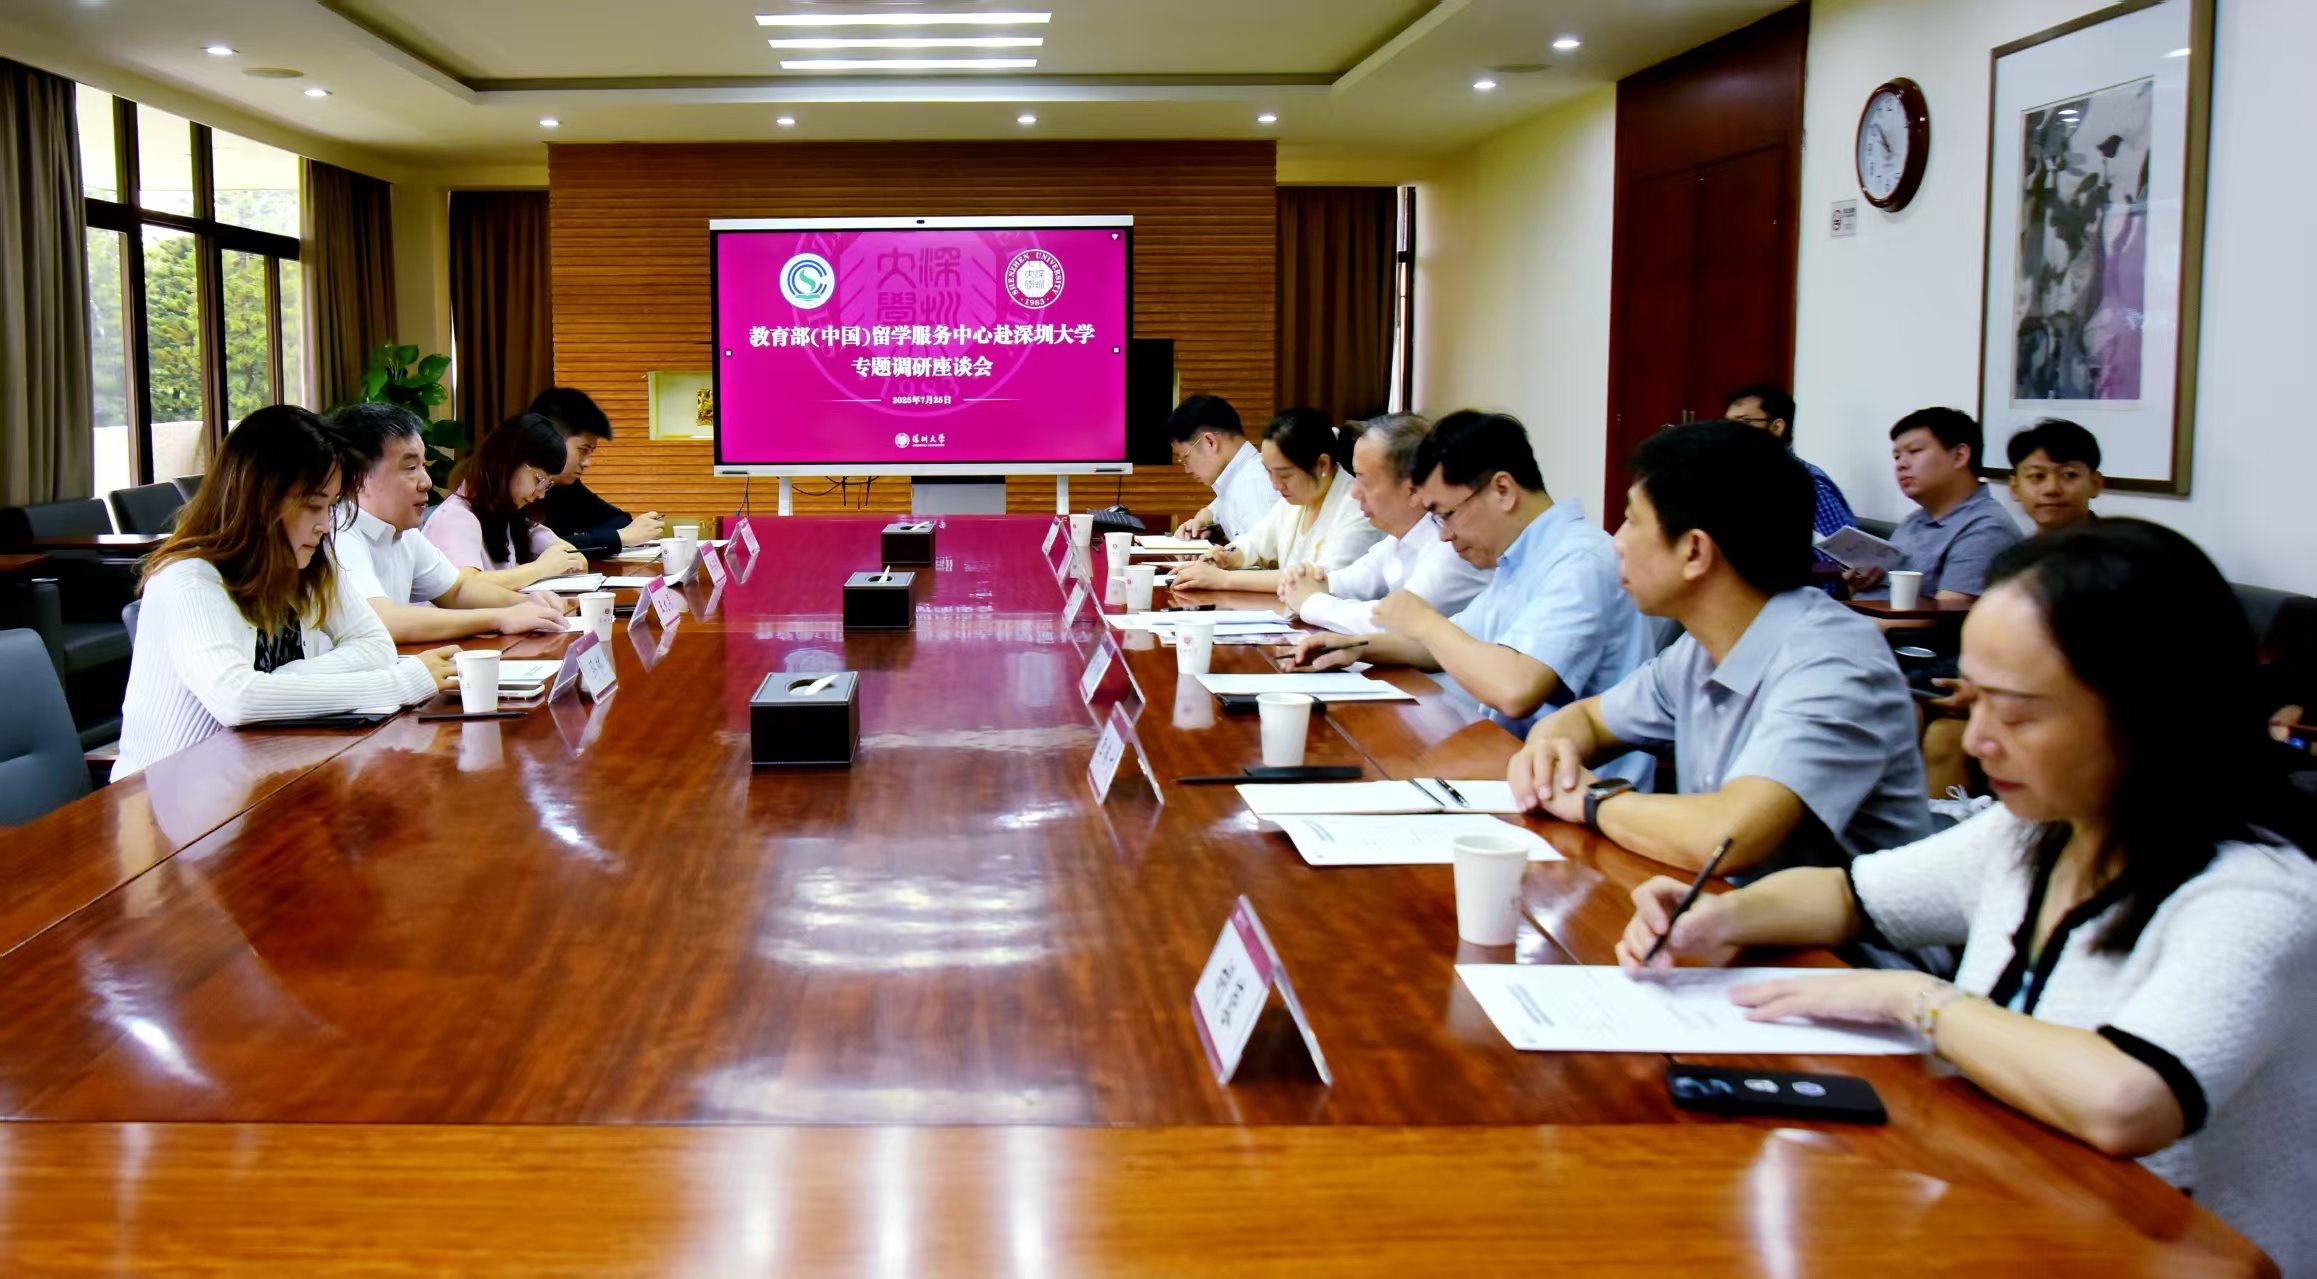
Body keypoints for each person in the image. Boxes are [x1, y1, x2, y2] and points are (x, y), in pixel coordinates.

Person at [1613, 519, 2317, 1276]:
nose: (1977, 741)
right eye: (1972, 701)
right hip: (2004, 1207)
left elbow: (2126, 1101)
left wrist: (1916, 1000)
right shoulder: (2037, 831)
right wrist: (1724, 916)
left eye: (2015, 712)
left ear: (2146, 708)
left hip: (2154, 1253)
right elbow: (1849, 894)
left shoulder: (2257, 892)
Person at [1510, 421, 1930, 877]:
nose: (1617, 541)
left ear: (1694, 551)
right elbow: (1590, 719)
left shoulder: (1833, 663)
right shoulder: (1699, 648)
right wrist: (1549, 753)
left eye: (1632, 520)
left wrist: (1593, 800)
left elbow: (1727, 837)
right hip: (1719, 908)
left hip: (1828, 926)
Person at [1286, 411, 1654, 763]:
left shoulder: (1578, 559)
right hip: (1508, 760)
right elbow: (1447, 645)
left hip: (1576, 785)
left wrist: (1425, 622)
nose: (1444, 535)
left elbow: (1516, 690)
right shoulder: (1517, 559)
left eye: (1446, 515)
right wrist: (1355, 647)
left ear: (1503, 490)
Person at [114, 406, 455, 779]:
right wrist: (398, 684)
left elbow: (376, 646)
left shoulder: (310, 560)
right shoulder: (189, 577)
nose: (325, 525)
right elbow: (238, 699)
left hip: (259, 772)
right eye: (313, 506)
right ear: (260, 500)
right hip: (162, 794)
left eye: (330, 506)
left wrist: (282, 680)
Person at [324, 402, 571, 644]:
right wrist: (499, 618)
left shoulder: (403, 532)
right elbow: (381, 620)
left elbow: (457, 589)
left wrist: (527, 604)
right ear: (359, 476)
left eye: (423, 466)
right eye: (410, 468)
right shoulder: (339, 529)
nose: (426, 482)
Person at [1279, 413, 1490, 635]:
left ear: (1413, 489)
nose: (1354, 492)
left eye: (1365, 481)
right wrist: (1304, 581)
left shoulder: (1453, 546)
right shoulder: (1400, 538)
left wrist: (1310, 602)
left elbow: (1396, 623)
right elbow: (1348, 581)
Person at [1169, 408, 1381, 593]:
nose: (1275, 484)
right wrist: (1228, 556)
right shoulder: (1296, 500)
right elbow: (1256, 541)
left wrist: (1225, 579)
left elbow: (1326, 580)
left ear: (1322, 465)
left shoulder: (1357, 508)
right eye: (1269, 472)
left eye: (1284, 475)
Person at [1848, 407, 2022, 602]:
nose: (1901, 464)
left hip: (1886, 622)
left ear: (1959, 456)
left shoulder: (1987, 529)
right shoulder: (1913, 522)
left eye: (1914, 451)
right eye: (1897, 457)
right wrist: (1859, 583)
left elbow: (1946, 613)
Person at [424, 413, 590, 591]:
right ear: (508, 463)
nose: (541, 494)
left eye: (547, 485)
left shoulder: (509, 517)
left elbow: (577, 559)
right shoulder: (456, 517)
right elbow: (465, 587)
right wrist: (541, 569)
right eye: (539, 479)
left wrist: (564, 560)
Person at [527, 386, 666, 558]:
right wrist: (618, 538)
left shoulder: (566, 486)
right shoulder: (519, 486)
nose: (587, 462)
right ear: (552, 441)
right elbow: (533, 548)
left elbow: (618, 520)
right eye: (583, 450)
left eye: (590, 452)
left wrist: (597, 538)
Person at [1724, 384, 1856, 542]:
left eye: (1744, 422)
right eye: (1727, 423)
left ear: (1776, 427)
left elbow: (1847, 551)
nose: (1729, 431)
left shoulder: (1806, 483)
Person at [1166, 395, 1277, 542]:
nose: (1187, 470)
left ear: (1210, 442)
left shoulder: (1257, 485)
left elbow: (1269, 555)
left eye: (1185, 458)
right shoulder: (1235, 481)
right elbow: (1214, 509)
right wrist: (1203, 524)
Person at [2005, 417, 2105, 533]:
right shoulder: (2025, 545)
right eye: (2037, 476)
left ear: (2095, 484)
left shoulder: (2117, 543)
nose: (2051, 489)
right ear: (2014, 488)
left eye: (2069, 475)